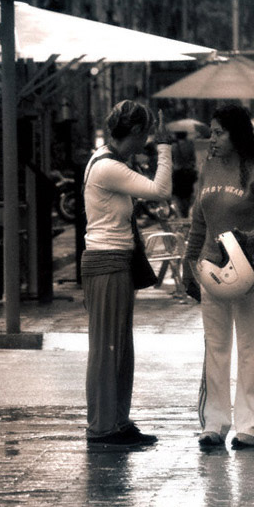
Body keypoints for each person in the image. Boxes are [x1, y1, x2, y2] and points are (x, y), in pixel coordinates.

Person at [182, 104, 254, 450]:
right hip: (210, 270)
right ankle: (214, 423)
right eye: (211, 132)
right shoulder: (208, 168)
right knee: (216, 346)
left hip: (249, 272)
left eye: (219, 132)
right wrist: (188, 262)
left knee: (250, 347)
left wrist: (246, 237)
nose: (212, 139)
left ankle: (250, 426)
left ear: (237, 134)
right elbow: (199, 221)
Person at [80, 100, 172, 447]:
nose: (147, 139)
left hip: (115, 261)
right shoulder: (106, 167)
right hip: (107, 262)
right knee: (107, 348)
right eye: (146, 133)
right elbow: (160, 189)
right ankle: (102, 425)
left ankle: (116, 420)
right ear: (134, 132)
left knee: (119, 348)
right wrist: (164, 149)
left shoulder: (112, 161)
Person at [171, 131, 198, 217]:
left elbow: (172, 160)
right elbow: (193, 159)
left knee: (178, 195)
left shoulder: (174, 146)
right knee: (188, 194)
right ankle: (186, 212)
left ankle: (182, 214)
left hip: (178, 173)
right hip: (188, 173)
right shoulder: (190, 145)